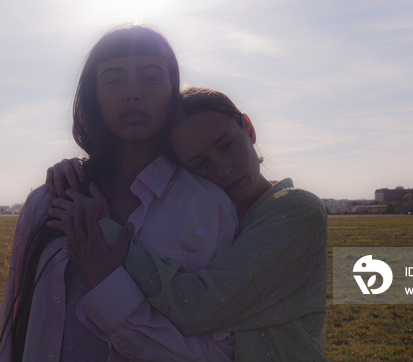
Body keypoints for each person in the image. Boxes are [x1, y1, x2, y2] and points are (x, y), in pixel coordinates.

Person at [0, 26, 238, 361]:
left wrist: (108, 285)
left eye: (150, 77)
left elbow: (219, 352)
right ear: (93, 95)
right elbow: (14, 325)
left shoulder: (209, 208)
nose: (132, 93)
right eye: (113, 80)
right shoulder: (48, 200)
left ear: (172, 92)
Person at [48, 87, 328, 361]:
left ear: (249, 129)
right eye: (200, 162)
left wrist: (103, 232)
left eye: (226, 145)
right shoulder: (210, 218)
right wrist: (82, 172)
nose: (223, 168)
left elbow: (197, 306)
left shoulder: (298, 210)